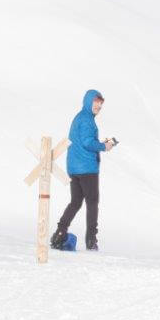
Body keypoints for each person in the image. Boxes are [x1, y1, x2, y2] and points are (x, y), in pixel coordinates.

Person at [52, 89, 117, 251]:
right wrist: (104, 146)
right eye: (96, 103)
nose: (98, 106)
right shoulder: (87, 120)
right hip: (87, 168)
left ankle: (60, 232)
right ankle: (91, 240)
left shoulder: (79, 118)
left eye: (101, 104)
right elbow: (88, 142)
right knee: (92, 203)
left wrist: (99, 143)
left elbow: (83, 141)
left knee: (75, 202)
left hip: (74, 167)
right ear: (88, 101)